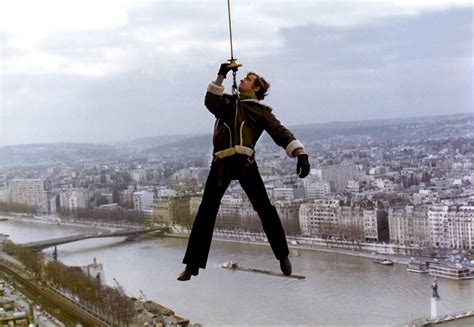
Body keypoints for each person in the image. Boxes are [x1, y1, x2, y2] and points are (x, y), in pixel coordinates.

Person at [177, 63, 310, 281]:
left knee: (265, 209)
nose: (242, 80)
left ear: (256, 88)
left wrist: (300, 153)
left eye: (248, 79)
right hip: (223, 162)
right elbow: (210, 101)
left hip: (242, 162)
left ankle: (283, 255)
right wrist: (221, 75)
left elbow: (280, 132)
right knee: (206, 212)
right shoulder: (227, 103)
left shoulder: (260, 111)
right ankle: (192, 265)